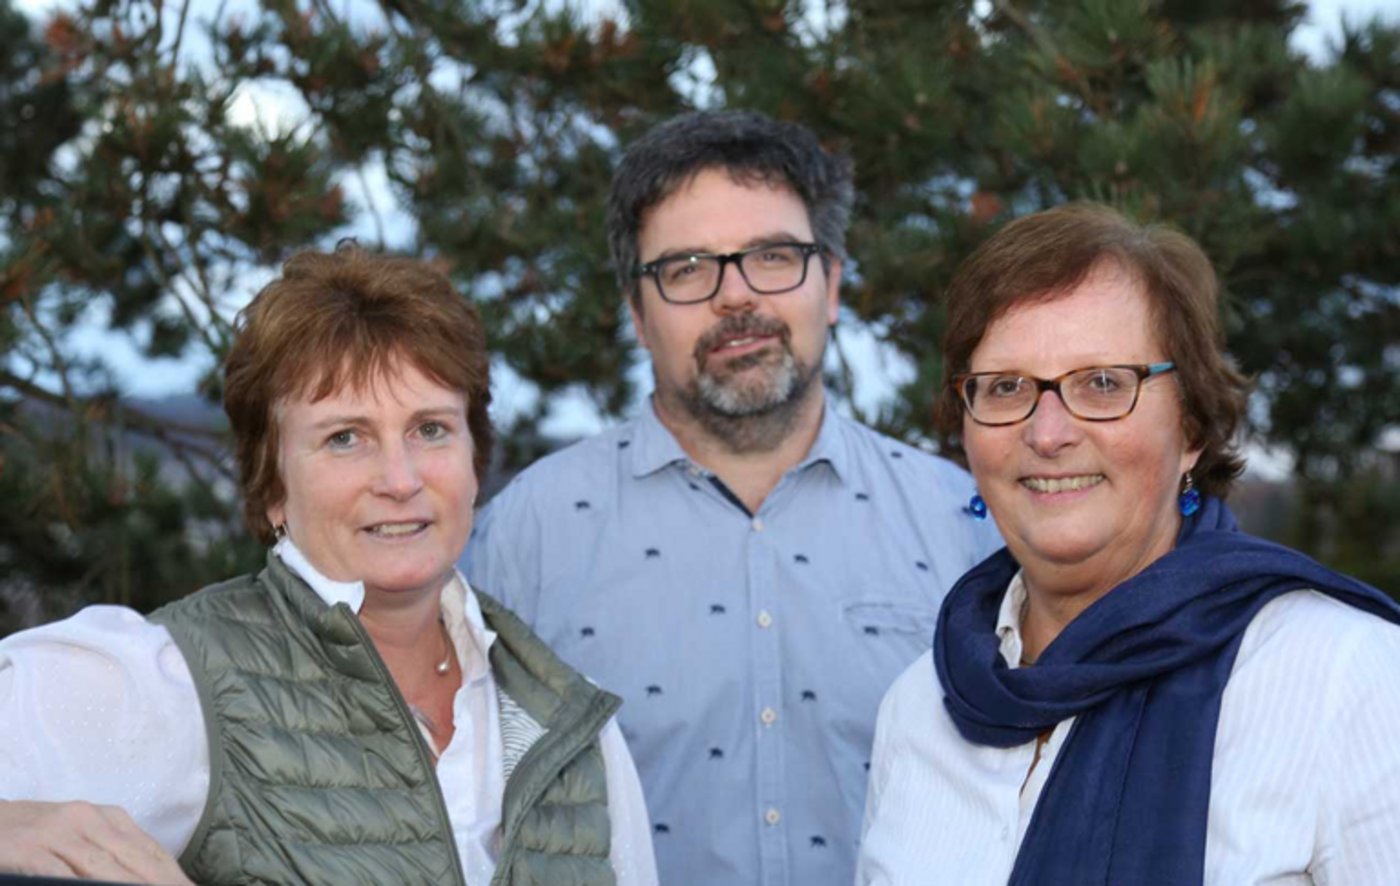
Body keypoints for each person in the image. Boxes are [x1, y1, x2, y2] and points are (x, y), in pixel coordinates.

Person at [0, 247, 657, 885]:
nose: (400, 479)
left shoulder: (569, 723)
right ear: (274, 487)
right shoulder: (177, 684)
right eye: (345, 438)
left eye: (430, 429)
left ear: (474, 458)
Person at [463, 110, 1002, 886]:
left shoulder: (969, 527)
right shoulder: (522, 537)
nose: (736, 296)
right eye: (687, 268)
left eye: (773, 255)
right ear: (637, 314)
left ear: (832, 284)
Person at [855, 203, 1400, 885]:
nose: (1047, 433)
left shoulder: (1343, 676)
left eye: (1103, 383)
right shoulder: (919, 708)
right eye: (1006, 387)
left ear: (1191, 428)